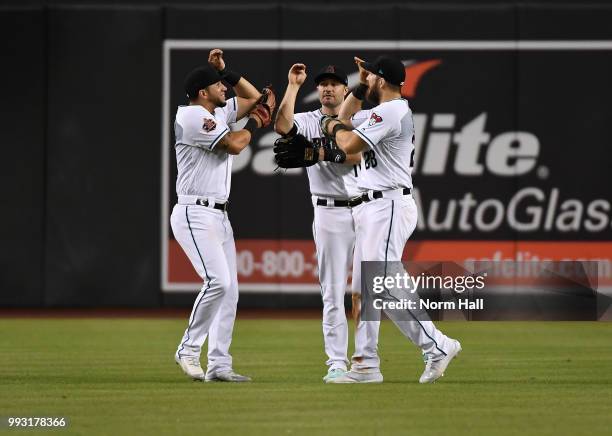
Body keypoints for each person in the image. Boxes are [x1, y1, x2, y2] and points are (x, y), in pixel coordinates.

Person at [320, 55, 462, 384]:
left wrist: (331, 126)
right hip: (372, 207)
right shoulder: (382, 111)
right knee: (366, 291)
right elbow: (344, 116)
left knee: (381, 286)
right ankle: (366, 365)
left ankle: (436, 344)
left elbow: (348, 141)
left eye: (372, 79)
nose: (369, 83)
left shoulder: (391, 110)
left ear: (381, 81)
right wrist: (358, 85)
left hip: (388, 205)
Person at [171, 49, 274, 382]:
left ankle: (219, 365)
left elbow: (254, 96)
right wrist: (258, 120)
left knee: (230, 291)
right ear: (203, 92)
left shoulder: (214, 113)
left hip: (217, 214)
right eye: (219, 85)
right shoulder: (192, 116)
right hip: (194, 211)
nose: (226, 90)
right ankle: (188, 349)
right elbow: (235, 144)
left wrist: (226, 72)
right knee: (218, 281)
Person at [274, 64, 363, 383]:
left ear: (345, 90)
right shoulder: (310, 120)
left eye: (335, 84)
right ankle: (337, 363)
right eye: (323, 84)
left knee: (366, 291)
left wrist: (319, 152)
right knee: (333, 291)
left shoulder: (359, 118)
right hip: (328, 213)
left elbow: (357, 155)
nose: (328, 88)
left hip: (365, 210)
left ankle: (365, 360)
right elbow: (282, 126)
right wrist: (293, 85)